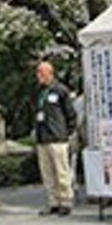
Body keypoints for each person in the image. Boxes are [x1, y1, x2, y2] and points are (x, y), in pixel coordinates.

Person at [34, 59, 77, 216]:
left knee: (61, 171)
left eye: (41, 72)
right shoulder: (39, 91)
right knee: (47, 173)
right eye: (38, 72)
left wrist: (67, 131)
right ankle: (52, 202)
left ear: (50, 73)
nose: (38, 75)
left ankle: (65, 201)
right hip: (43, 137)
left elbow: (71, 114)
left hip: (58, 137)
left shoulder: (60, 90)